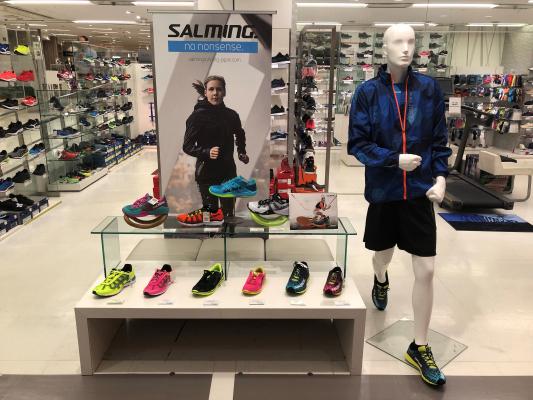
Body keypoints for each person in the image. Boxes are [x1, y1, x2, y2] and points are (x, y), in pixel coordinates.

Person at [347, 24, 451, 386]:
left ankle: (419, 346)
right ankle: (380, 278)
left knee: (426, 270)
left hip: (420, 192)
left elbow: (439, 140)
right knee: (382, 254)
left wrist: (441, 178)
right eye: (398, 42)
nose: (405, 48)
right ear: (385, 48)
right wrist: (394, 159)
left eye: (410, 42)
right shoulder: (367, 93)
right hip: (385, 191)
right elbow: (357, 144)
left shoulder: (429, 89)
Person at [177, 75, 249, 226]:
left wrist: (241, 152)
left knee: (229, 215)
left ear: (224, 92)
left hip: (228, 172)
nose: (215, 93)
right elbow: (187, 145)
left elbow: (240, 133)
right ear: (205, 92)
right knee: (210, 213)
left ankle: (229, 238)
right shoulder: (197, 116)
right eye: (211, 89)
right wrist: (206, 152)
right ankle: (211, 238)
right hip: (206, 173)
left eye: (219, 89)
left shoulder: (231, 115)